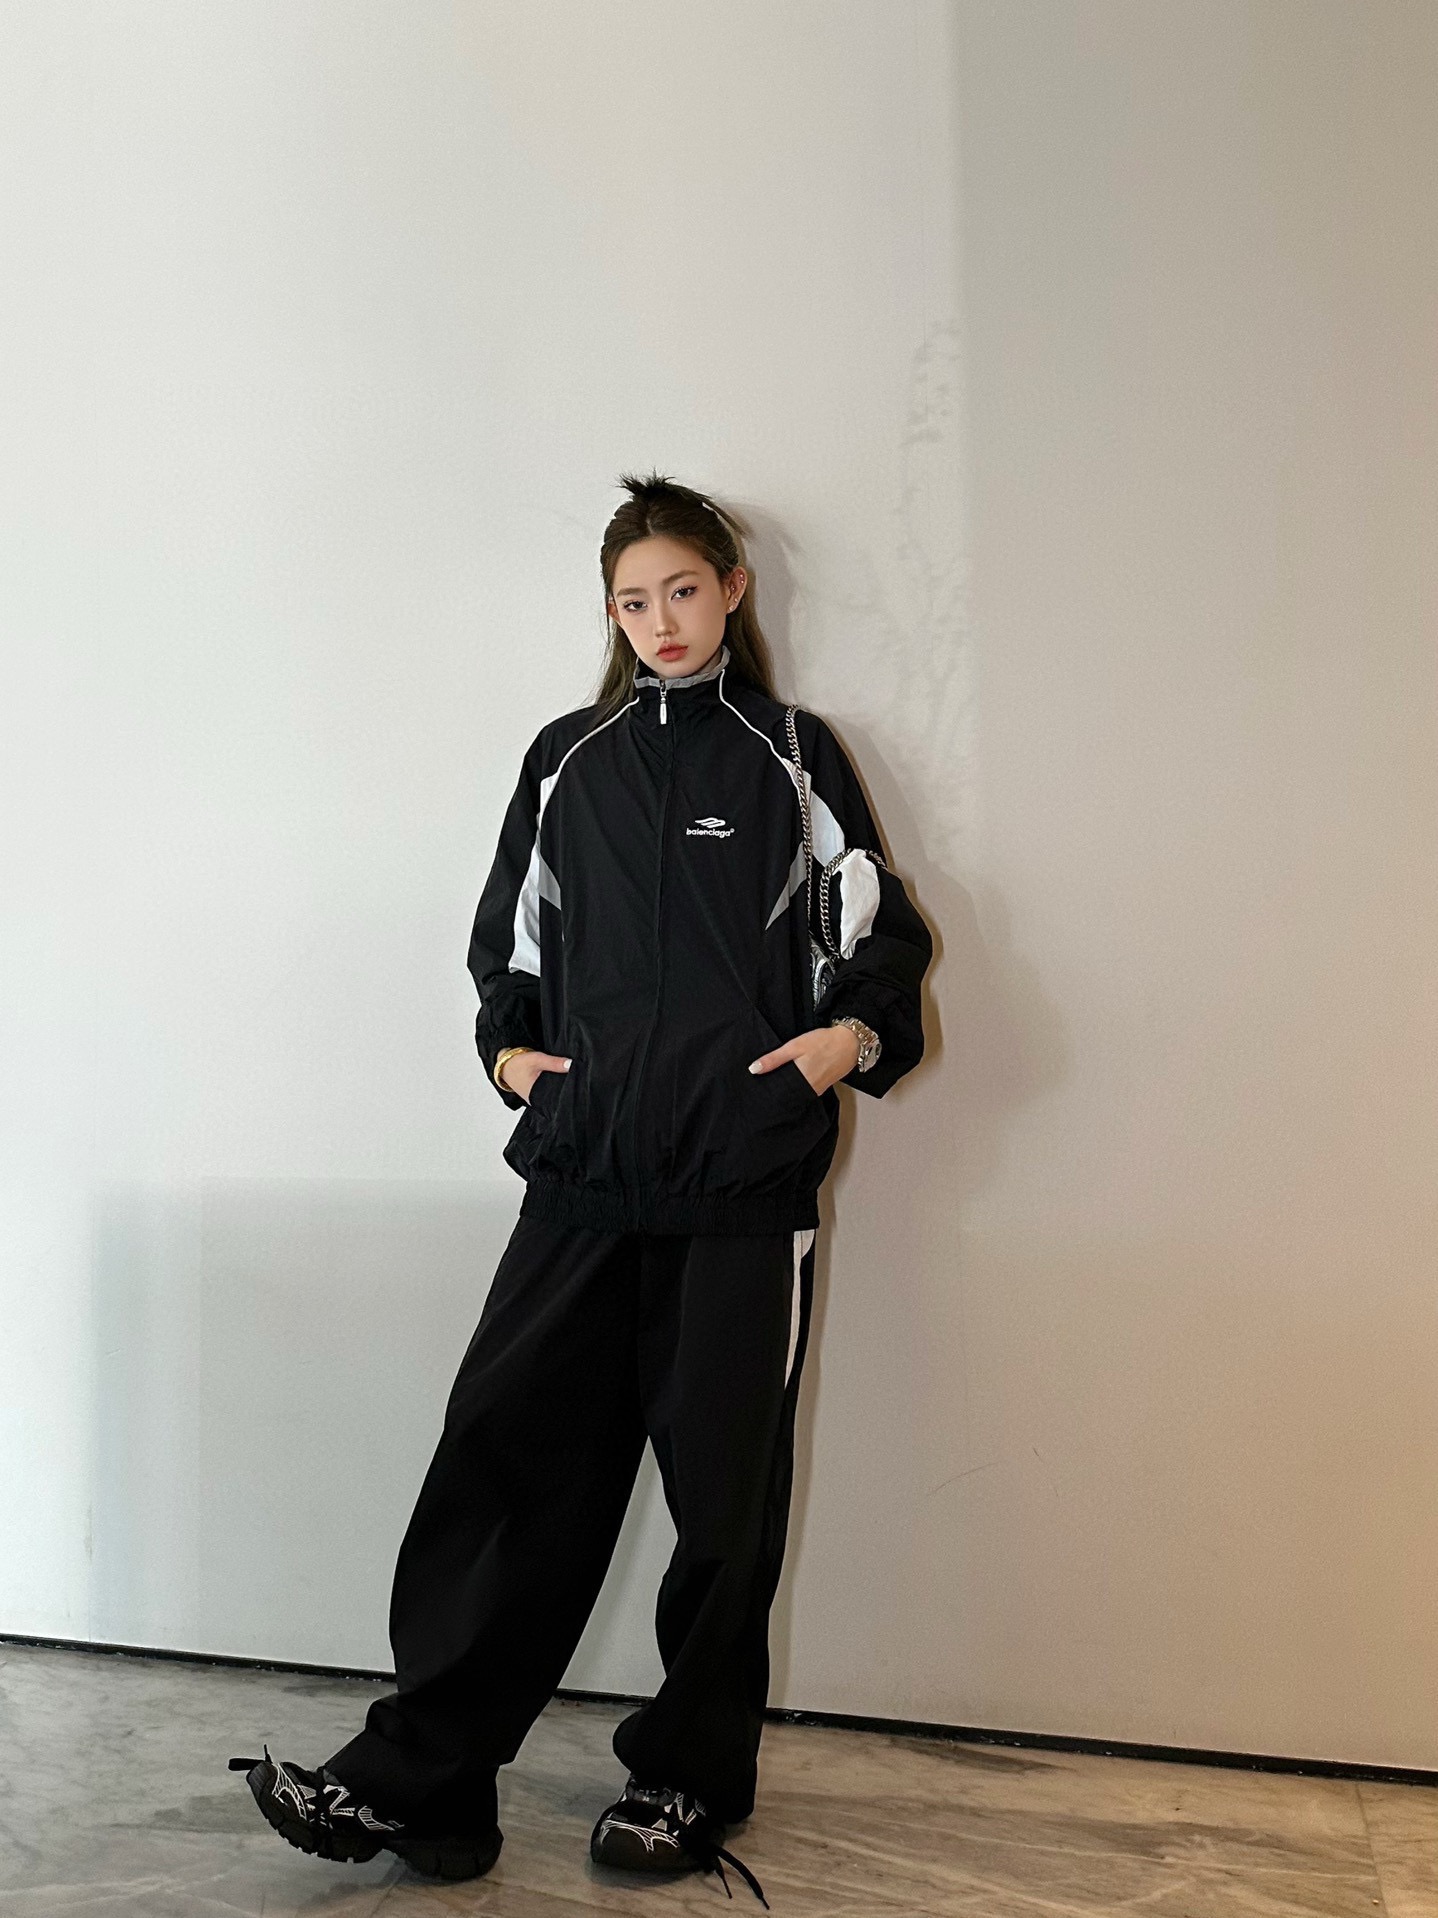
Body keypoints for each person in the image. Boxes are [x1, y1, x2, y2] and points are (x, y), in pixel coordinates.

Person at [231, 473, 933, 1905]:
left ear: (731, 591)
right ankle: (424, 1780)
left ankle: (685, 1779)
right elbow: (510, 940)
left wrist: (840, 1046)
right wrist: (511, 1058)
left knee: (722, 1507)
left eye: (682, 590)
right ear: (609, 615)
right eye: (632, 600)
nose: (659, 621)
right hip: (583, 1176)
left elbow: (882, 931)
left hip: (740, 1188)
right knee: (500, 1465)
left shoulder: (793, 754)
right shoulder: (569, 758)